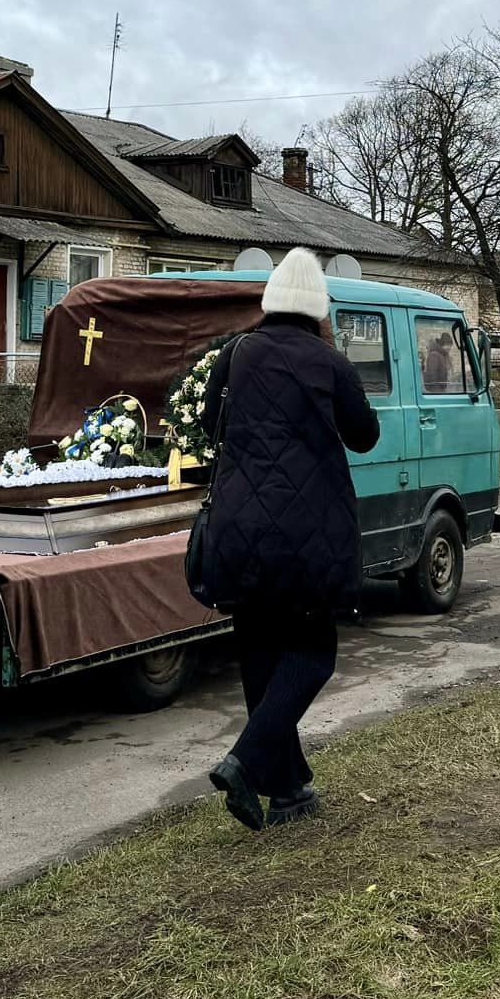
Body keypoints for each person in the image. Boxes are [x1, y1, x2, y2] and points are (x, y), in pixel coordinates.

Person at [198, 249, 381, 833]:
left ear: (271, 298)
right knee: (313, 652)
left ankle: (288, 789)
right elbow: (365, 436)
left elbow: (208, 424)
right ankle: (245, 762)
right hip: (308, 530)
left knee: (260, 654)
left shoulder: (235, 353)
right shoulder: (329, 362)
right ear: (318, 308)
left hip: (238, 525)